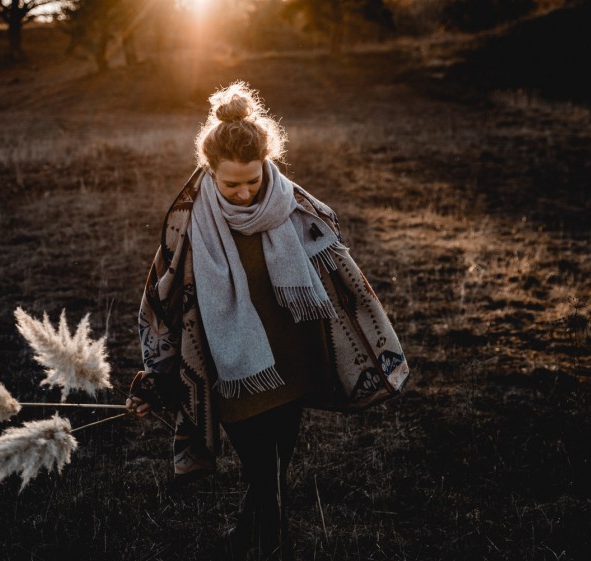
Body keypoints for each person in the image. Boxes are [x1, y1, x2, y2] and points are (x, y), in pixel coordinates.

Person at [127, 82, 409, 561]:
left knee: (275, 471)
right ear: (208, 170)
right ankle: (275, 545)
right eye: (229, 183)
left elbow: (339, 271)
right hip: (232, 370)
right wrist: (156, 376)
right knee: (263, 470)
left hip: (294, 357)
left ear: (267, 164)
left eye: (253, 182)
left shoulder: (295, 206)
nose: (242, 193)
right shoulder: (189, 225)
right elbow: (163, 299)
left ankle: (247, 537)